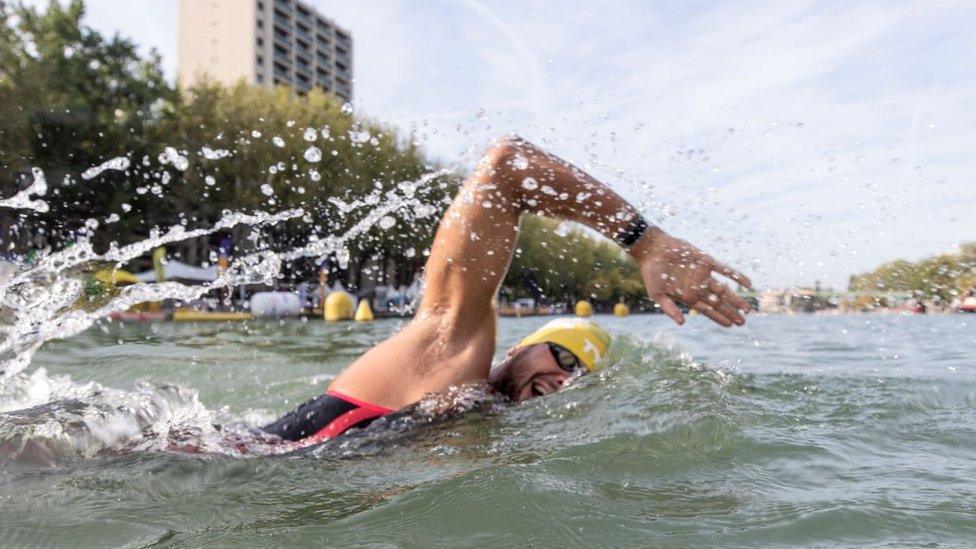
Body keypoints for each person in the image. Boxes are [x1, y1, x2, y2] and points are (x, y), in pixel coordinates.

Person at [262, 136, 752, 445]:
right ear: (519, 349)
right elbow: (507, 166)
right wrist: (645, 243)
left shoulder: (487, 427)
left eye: (577, 374)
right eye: (561, 357)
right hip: (222, 470)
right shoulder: (449, 349)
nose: (565, 380)